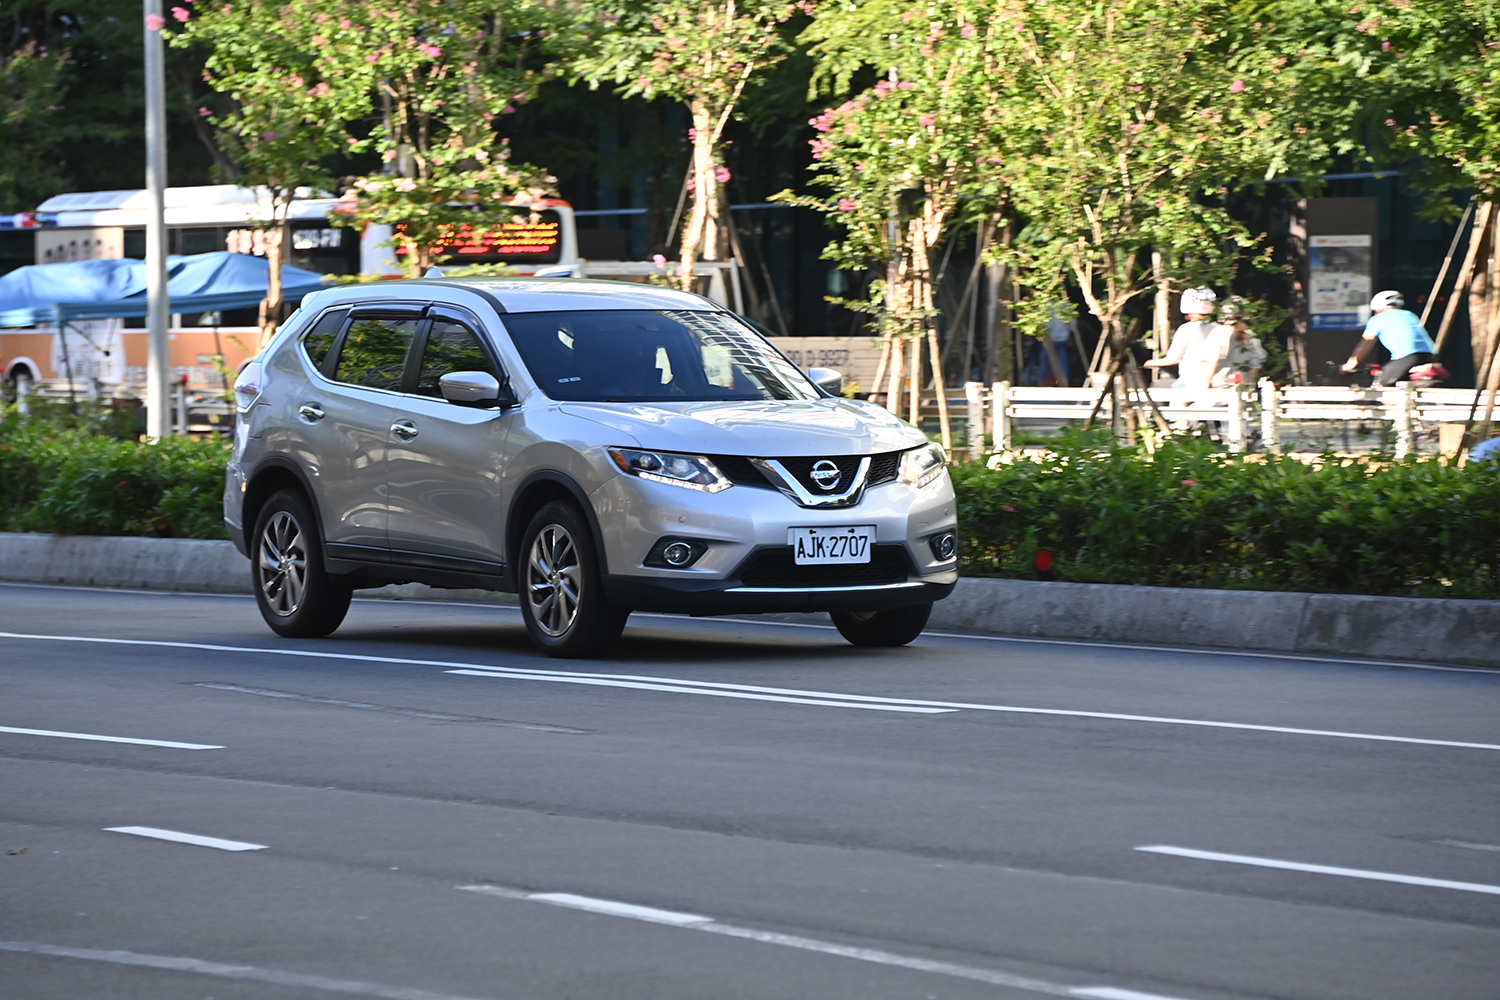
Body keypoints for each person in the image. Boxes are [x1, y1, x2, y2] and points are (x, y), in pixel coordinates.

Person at [1340, 290, 1437, 385]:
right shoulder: (1410, 315)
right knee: (1404, 388)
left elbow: (1364, 346)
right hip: (1429, 355)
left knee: (1381, 390)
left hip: (1406, 356)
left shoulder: (1377, 319)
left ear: (1378, 307)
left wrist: (1349, 365)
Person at [1144, 287, 1217, 388]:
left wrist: (1150, 363)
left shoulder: (1186, 329)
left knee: (1166, 392)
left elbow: (1173, 359)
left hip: (1192, 378)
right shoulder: (1218, 327)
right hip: (1218, 379)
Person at [1206, 297, 1267, 387]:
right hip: (1243, 388)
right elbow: (1256, 365)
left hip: (1219, 387)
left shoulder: (1218, 332)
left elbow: (1212, 361)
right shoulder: (1250, 335)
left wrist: (1205, 385)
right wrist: (1249, 384)